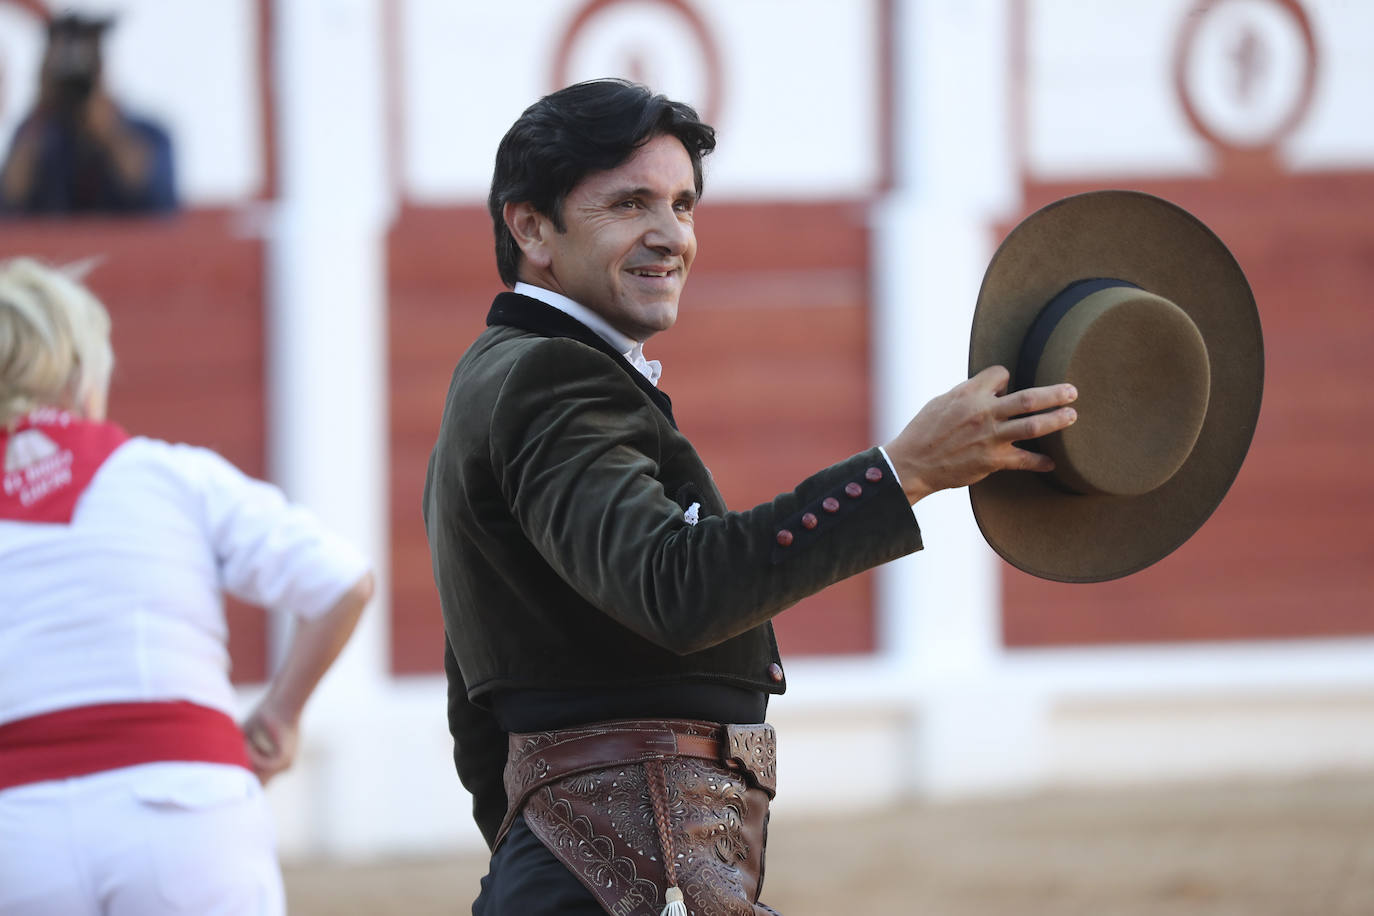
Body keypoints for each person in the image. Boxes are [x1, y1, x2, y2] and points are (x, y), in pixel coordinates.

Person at [423, 78, 1078, 916]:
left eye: (684, 205)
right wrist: (904, 470)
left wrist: (536, 855)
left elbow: (478, 690)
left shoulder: (503, 377)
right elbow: (677, 588)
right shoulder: (554, 378)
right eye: (630, 205)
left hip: (595, 864)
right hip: (634, 864)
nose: (671, 237)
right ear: (531, 228)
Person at [0, 258, 372, 914]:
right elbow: (342, 581)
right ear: (85, 377)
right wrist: (280, 714)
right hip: (187, 807)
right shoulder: (175, 476)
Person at [0, 13, 177, 215]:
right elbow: (9, 204)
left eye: (88, 60)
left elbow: (158, 201)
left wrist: (109, 130)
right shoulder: (36, 135)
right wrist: (42, 108)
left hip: (124, 245)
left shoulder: (151, 134)